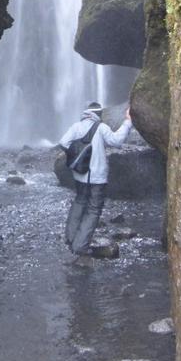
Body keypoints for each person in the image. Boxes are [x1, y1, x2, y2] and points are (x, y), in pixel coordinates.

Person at [59, 101, 133, 255]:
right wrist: (128, 122)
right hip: (97, 178)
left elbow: (63, 142)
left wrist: (77, 155)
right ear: (99, 114)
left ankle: (71, 237)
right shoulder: (101, 128)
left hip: (80, 175)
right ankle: (80, 246)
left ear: (87, 113)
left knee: (79, 202)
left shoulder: (76, 127)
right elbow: (116, 141)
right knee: (93, 210)